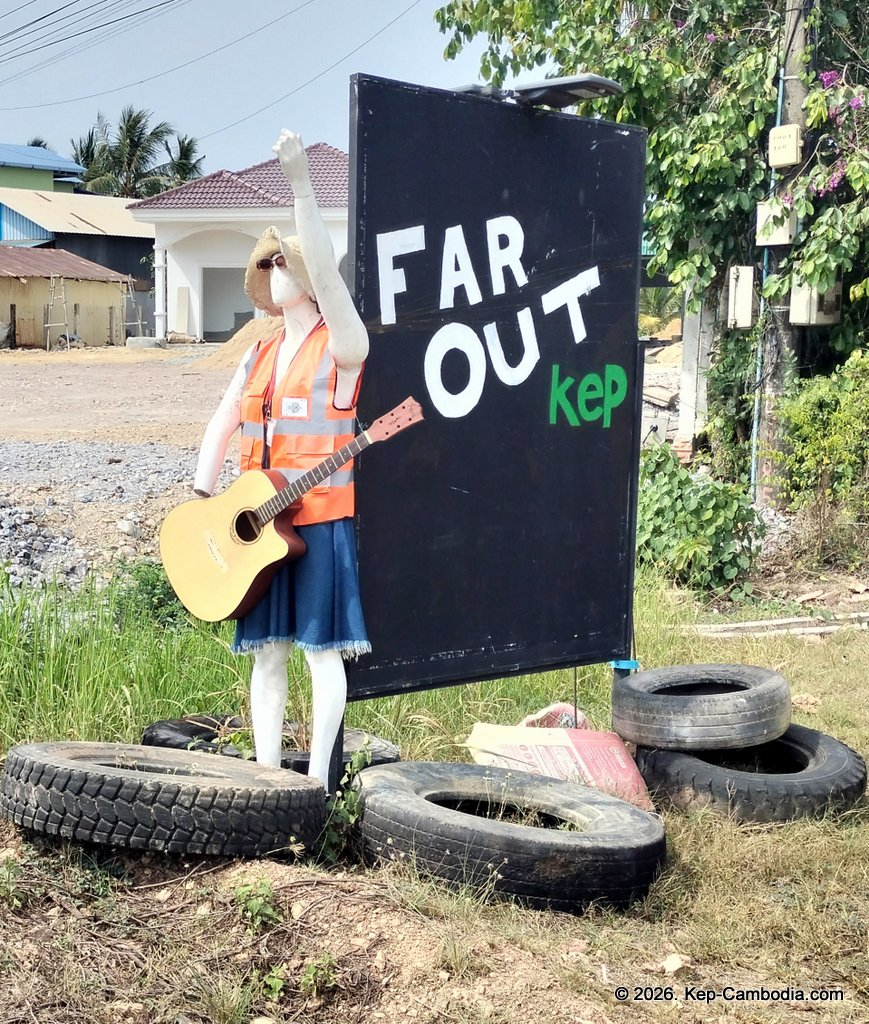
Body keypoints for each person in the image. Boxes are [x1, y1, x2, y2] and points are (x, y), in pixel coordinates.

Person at [193, 130, 370, 788]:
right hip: (258, 521)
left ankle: (320, 787)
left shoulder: (343, 344)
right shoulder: (258, 352)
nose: (278, 272)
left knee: (323, 657)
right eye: (268, 265)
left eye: (285, 261)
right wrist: (199, 493)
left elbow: (325, 273)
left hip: (321, 520)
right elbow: (222, 417)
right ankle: (267, 783)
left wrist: (300, 186)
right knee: (265, 657)